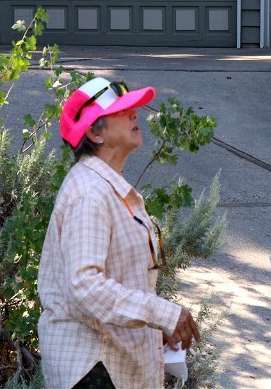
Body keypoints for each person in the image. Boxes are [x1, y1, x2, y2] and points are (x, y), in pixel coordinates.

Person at [38, 77, 200, 388]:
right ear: (94, 133)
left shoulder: (104, 186)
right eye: (122, 110)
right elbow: (85, 285)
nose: (134, 114)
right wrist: (162, 313)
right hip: (93, 368)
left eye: (133, 108)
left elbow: (118, 279)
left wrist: (154, 325)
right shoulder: (89, 192)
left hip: (110, 366)